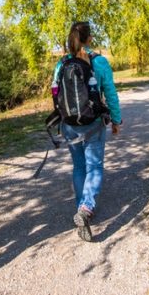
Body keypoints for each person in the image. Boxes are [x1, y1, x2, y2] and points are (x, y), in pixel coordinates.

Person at [53, 22, 121, 242]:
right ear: (89, 38)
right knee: (94, 166)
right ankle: (85, 208)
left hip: (69, 124)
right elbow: (110, 92)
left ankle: (81, 207)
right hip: (93, 124)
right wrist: (116, 120)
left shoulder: (62, 63)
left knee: (79, 166)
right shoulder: (99, 62)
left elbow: (55, 92)